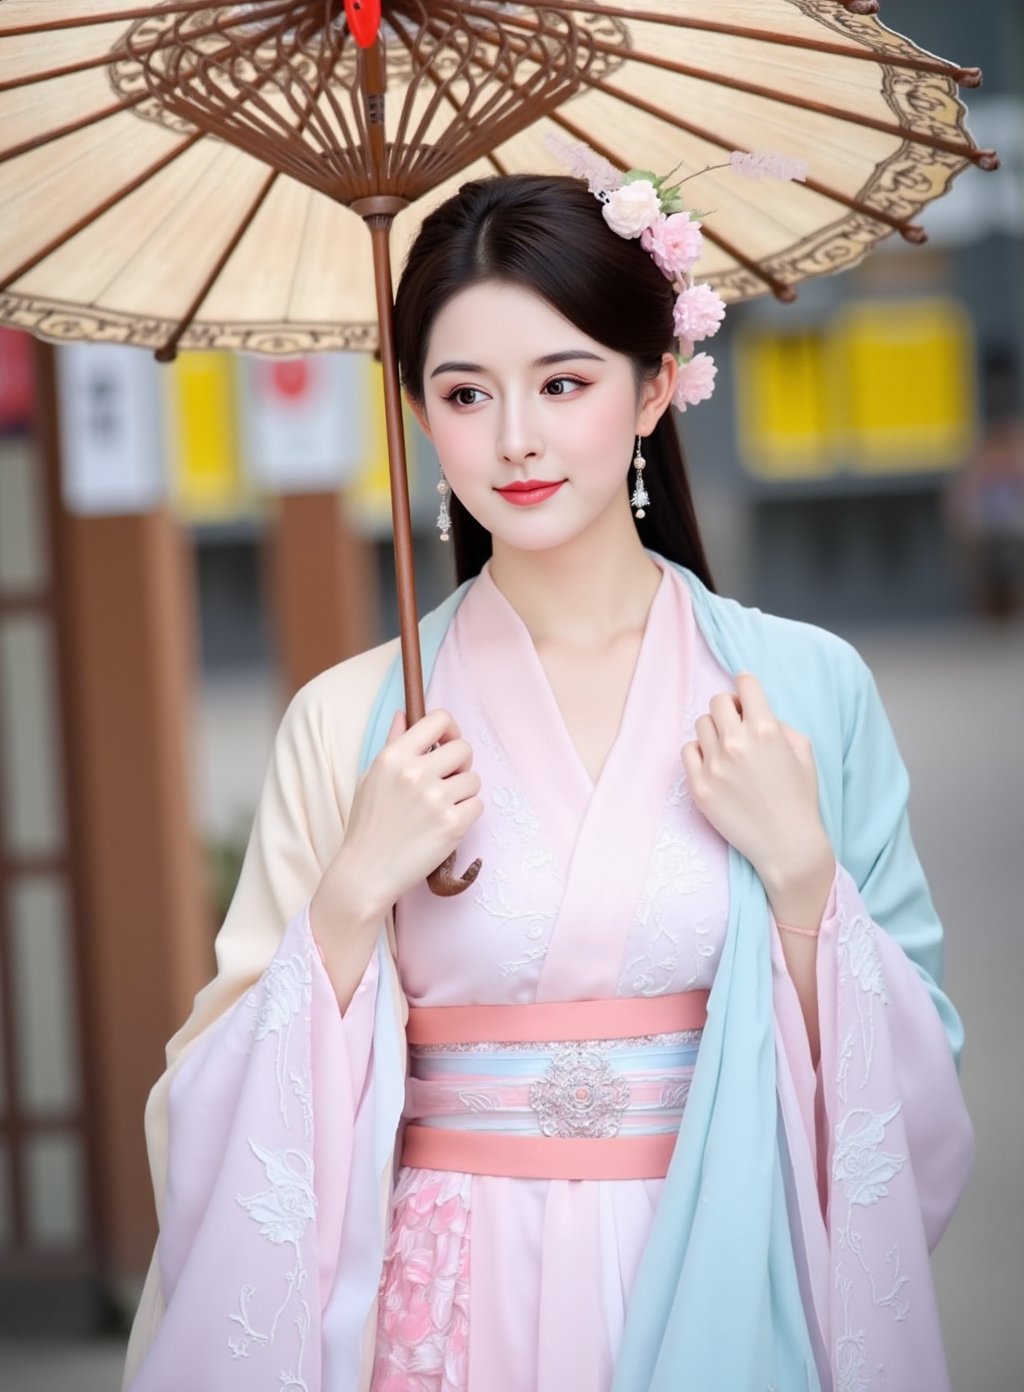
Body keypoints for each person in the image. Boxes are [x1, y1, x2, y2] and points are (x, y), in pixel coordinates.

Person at [122, 170, 973, 1392]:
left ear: (656, 387)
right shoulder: (349, 720)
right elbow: (209, 1104)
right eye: (465, 392)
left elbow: (920, 1075)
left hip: (724, 1268)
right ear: (417, 413)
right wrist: (351, 900)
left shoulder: (807, 688)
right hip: (449, 1301)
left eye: (563, 383)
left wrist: (803, 883)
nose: (513, 437)